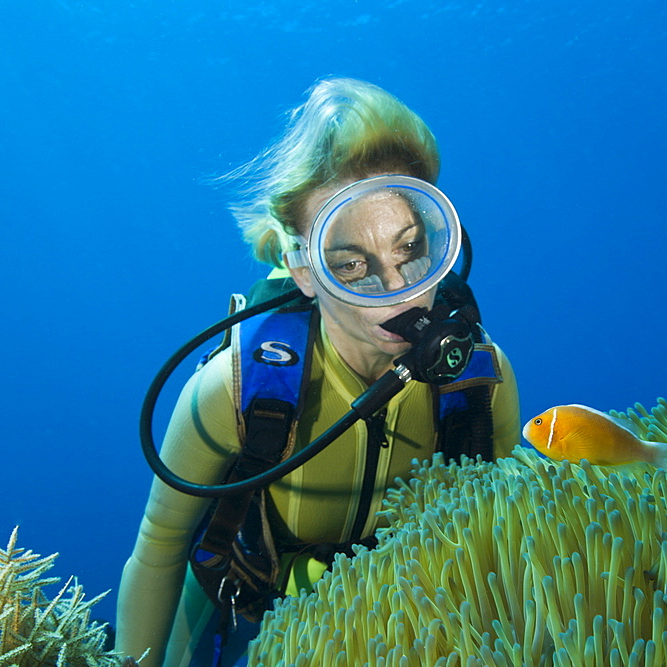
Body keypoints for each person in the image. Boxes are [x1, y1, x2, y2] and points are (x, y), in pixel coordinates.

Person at [115, 77, 521, 667]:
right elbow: (158, 549)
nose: (398, 292)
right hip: (255, 601)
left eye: (410, 249)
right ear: (305, 272)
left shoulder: (481, 379)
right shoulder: (235, 389)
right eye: (351, 266)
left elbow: (508, 536)